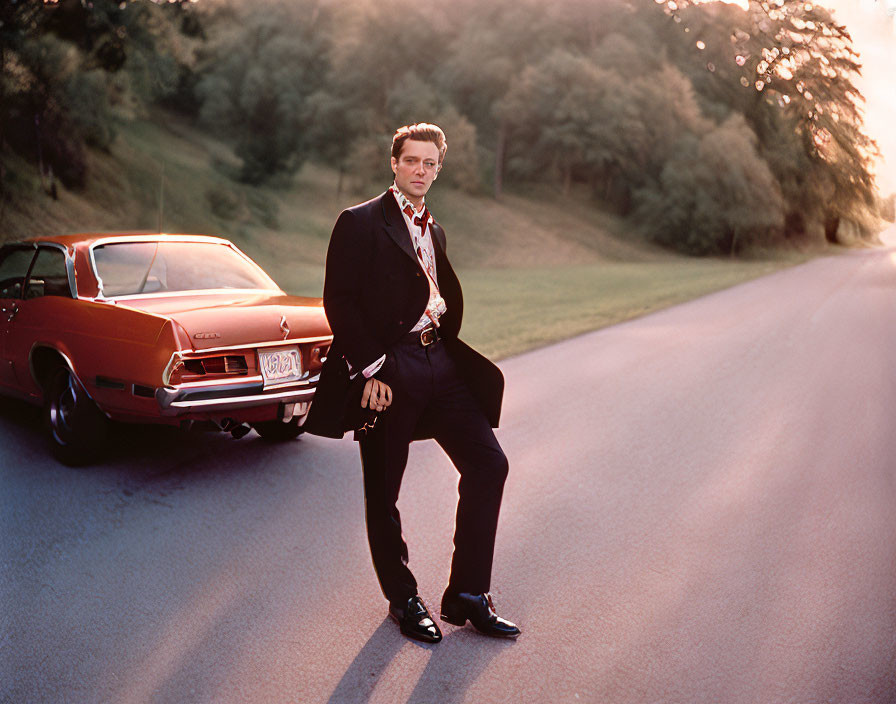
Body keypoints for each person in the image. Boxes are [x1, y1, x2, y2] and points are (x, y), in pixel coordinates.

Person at [310, 123, 520, 643]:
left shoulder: (436, 228)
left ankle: (468, 593)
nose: (421, 170)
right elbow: (340, 300)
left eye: (430, 163)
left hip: (440, 363)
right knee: (384, 488)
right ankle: (403, 599)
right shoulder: (359, 222)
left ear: (438, 169)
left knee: (488, 463)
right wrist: (372, 371)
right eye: (412, 161)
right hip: (389, 367)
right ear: (395, 163)